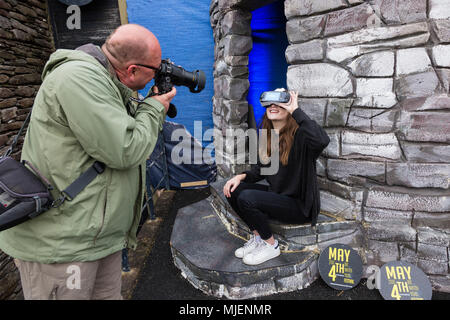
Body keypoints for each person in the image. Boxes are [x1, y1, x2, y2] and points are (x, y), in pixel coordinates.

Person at [0, 24, 176, 299]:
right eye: (155, 70)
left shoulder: (106, 83)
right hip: (62, 247)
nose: (159, 74)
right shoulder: (78, 78)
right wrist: (154, 107)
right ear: (132, 70)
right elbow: (126, 148)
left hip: (95, 238)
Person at [223, 90, 330, 266]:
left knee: (247, 198)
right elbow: (260, 171)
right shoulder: (268, 136)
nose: (273, 106)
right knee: (234, 189)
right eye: (270, 103)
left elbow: (321, 140)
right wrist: (240, 177)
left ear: (288, 110)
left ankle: (270, 245)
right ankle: (258, 237)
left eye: (280, 103)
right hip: (278, 195)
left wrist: (296, 109)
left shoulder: (302, 136)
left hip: (299, 205)